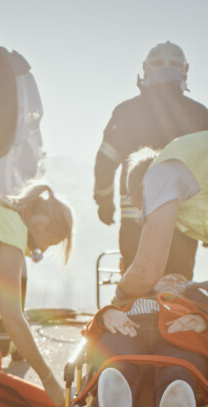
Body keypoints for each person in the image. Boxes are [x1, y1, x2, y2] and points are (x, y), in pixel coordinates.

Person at [0, 181, 73, 407]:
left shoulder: (0, 208)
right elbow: (13, 317)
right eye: (49, 242)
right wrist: (48, 380)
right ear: (42, 223)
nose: (44, 250)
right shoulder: (13, 231)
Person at [93, 41, 208, 276]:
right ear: (184, 71)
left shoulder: (126, 112)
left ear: (146, 70)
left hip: (136, 219)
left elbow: (105, 162)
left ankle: (134, 311)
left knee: (137, 278)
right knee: (176, 285)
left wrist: (104, 202)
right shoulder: (200, 114)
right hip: (182, 220)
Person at [84, 274, 208, 407]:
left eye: (180, 281)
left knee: (178, 369)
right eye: (165, 278)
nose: (172, 281)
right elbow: (93, 327)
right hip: (130, 325)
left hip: (180, 332)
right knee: (115, 363)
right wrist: (106, 314)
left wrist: (203, 321)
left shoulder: (195, 304)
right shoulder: (134, 298)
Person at [116, 130, 208, 301]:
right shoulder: (190, 179)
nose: (147, 214)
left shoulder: (157, 174)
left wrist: (120, 294)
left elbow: (145, 273)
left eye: (143, 207)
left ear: (141, 188)